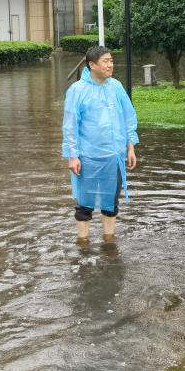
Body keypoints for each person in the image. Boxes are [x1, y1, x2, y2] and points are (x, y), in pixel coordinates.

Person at [62, 46, 139, 244]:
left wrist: (130, 147)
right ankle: (83, 243)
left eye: (111, 60)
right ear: (92, 65)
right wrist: (73, 155)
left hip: (114, 156)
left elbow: (129, 117)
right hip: (87, 157)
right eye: (106, 61)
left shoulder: (116, 87)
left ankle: (109, 242)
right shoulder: (77, 90)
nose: (110, 65)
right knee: (84, 204)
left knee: (110, 202)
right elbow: (70, 125)